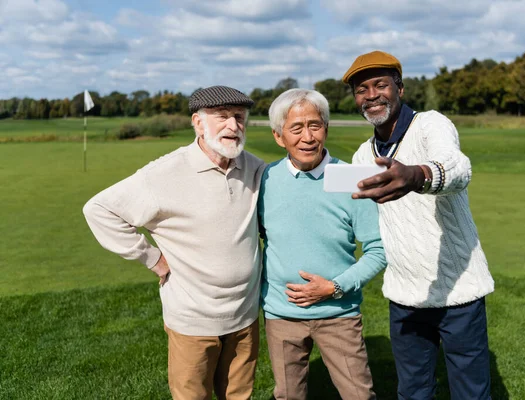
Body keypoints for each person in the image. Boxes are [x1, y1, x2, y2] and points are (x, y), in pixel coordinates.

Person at [83, 86, 265, 400]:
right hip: (191, 318)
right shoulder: (164, 173)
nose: (233, 126)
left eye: (239, 117)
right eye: (222, 117)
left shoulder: (256, 168)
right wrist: (151, 257)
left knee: (239, 396)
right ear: (198, 123)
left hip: (245, 315)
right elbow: (99, 209)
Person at [343, 51, 495, 400]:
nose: (371, 95)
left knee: (471, 393)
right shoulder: (362, 157)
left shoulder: (430, 124)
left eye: (380, 85)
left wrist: (416, 175)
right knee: (412, 392)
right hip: (405, 295)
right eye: (361, 89)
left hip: (459, 291)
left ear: (399, 87)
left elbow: (457, 169)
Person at [258, 89, 387, 400]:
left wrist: (335, 287)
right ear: (279, 136)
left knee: (359, 395)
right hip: (281, 314)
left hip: (338, 313)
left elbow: (379, 250)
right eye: (296, 128)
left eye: (315, 125)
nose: (308, 137)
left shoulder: (351, 178)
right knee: (289, 396)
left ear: (326, 129)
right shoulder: (265, 179)